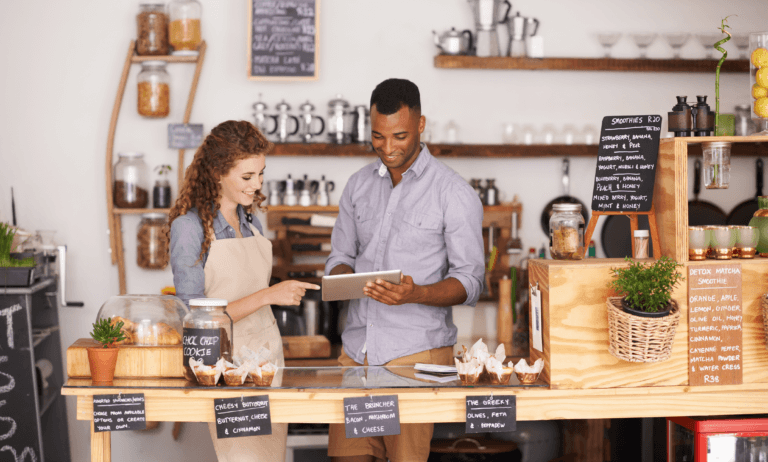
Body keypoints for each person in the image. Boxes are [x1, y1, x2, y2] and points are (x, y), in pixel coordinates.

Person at [325, 78, 485, 462]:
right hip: (356, 355)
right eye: (378, 136)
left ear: (421, 124)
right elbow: (338, 256)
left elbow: (471, 282)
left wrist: (417, 294)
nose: (388, 147)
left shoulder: (453, 193)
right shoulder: (358, 185)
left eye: (399, 136)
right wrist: (346, 278)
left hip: (415, 359)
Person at [169, 120, 319, 461]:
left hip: (267, 360)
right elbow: (195, 322)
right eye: (247, 177)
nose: (258, 185)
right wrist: (269, 295)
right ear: (218, 173)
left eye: (261, 174)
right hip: (227, 366)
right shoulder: (190, 228)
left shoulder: (252, 221)